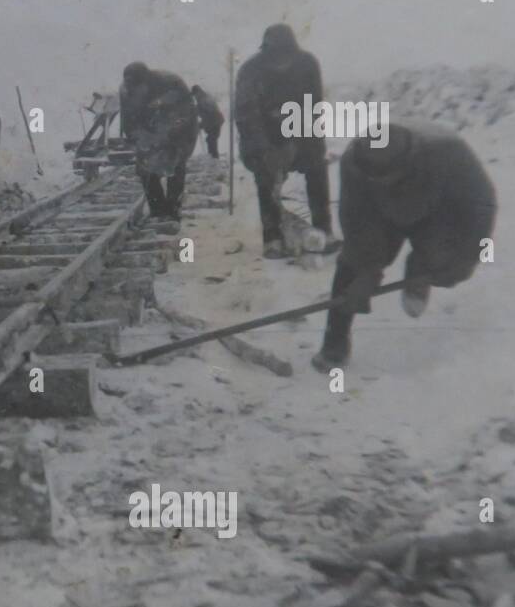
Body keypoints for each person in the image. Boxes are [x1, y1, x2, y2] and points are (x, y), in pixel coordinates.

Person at [311, 121, 497, 372]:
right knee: (351, 272)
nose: (384, 184)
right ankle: (335, 342)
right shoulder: (353, 163)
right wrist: (368, 271)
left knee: (443, 262)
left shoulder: (448, 152)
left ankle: (419, 266)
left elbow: (482, 206)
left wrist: (469, 256)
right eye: (376, 179)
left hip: (436, 213)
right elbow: (357, 221)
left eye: (390, 178)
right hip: (380, 218)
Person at [234, 24, 334, 258]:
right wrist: (266, 149)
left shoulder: (308, 63)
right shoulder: (250, 70)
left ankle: (323, 230)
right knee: (266, 177)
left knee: (317, 169)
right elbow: (246, 115)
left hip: (301, 131)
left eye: (285, 55)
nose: (281, 61)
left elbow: (314, 106)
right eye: (275, 56)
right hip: (263, 137)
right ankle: (272, 238)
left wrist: (300, 142)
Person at [118, 62, 199, 220]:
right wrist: (139, 139)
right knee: (145, 168)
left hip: (180, 129)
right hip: (149, 128)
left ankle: (173, 209)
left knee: (175, 164)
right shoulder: (125, 91)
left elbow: (186, 116)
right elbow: (128, 122)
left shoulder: (172, 83)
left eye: (140, 89)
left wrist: (165, 135)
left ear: (147, 83)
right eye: (133, 91)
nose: (137, 93)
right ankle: (158, 210)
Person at [190, 84, 224, 158]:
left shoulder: (203, 100)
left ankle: (214, 157)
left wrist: (201, 125)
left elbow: (209, 115)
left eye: (195, 95)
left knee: (211, 140)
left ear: (198, 92)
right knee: (210, 140)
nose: (195, 97)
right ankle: (213, 157)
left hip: (215, 121)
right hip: (215, 121)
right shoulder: (202, 99)